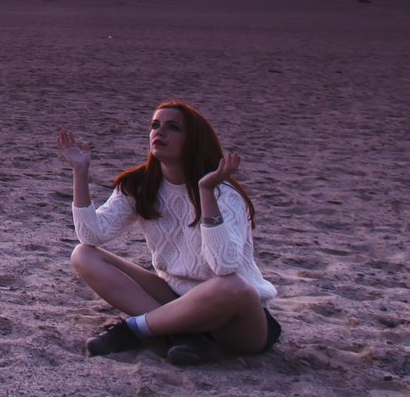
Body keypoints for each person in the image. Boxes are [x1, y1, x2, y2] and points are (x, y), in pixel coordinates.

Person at [55, 102, 280, 366]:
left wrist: (206, 192)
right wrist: (79, 173)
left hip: (235, 316)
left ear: (193, 140)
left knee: (234, 285)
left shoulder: (223, 193)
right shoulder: (139, 185)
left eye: (173, 127)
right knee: (83, 254)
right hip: (175, 297)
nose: (159, 133)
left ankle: (135, 329)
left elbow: (224, 266)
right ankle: (179, 334)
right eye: (155, 125)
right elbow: (91, 236)